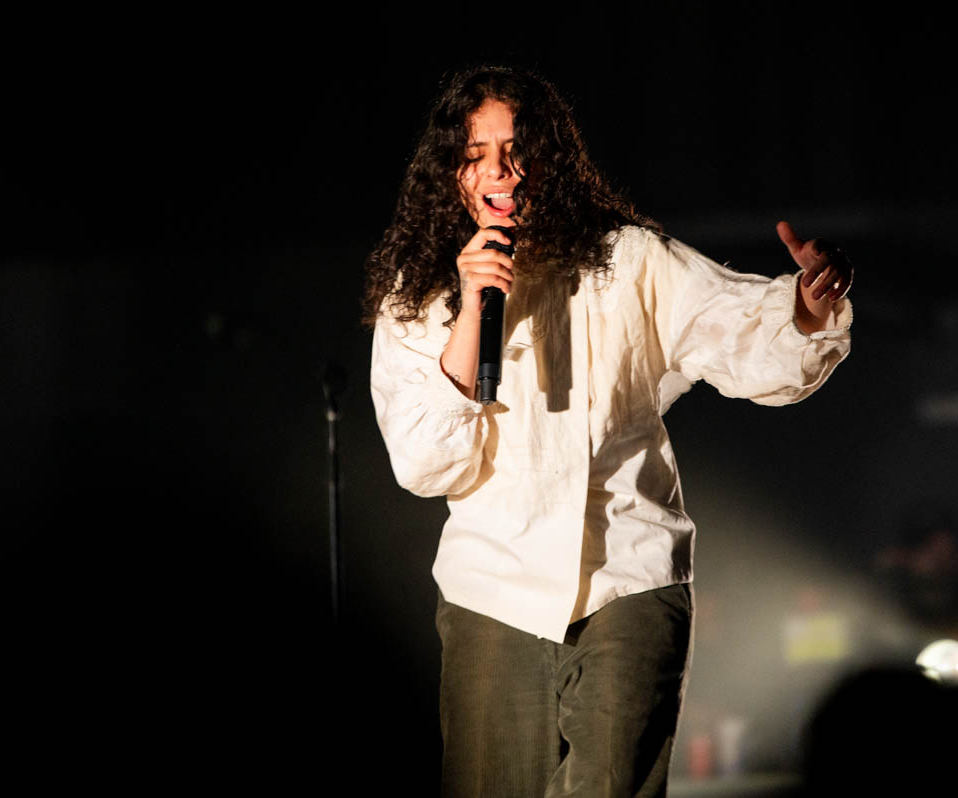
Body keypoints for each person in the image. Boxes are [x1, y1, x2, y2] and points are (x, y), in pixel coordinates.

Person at [364, 64, 852, 798]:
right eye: (475, 154)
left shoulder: (627, 260)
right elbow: (426, 466)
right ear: (451, 173)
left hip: (629, 573)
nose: (499, 171)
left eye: (516, 149)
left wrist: (806, 311)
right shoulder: (418, 296)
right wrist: (469, 309)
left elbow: (738, 333)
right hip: (493, 590)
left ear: (550, 158)